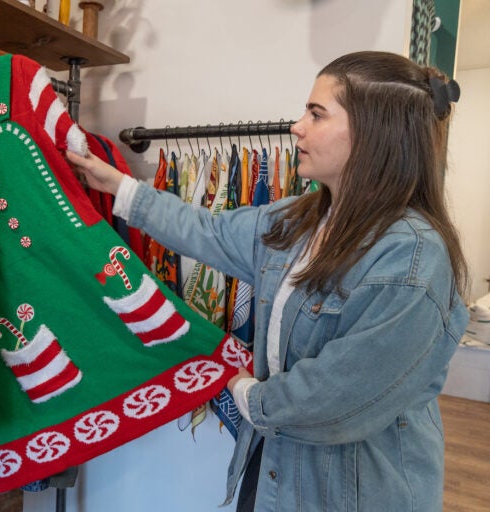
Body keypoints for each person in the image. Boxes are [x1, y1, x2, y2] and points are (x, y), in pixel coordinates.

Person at [66, 50, 468, 512]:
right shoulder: (298, 222)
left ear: (374, 131)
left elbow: (334, 396)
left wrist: (242, 389)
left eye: (316, 114)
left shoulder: (412, 256)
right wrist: (118, 185)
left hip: (354, 493)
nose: (297, 126)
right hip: (274, 471)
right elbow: (206, 231)